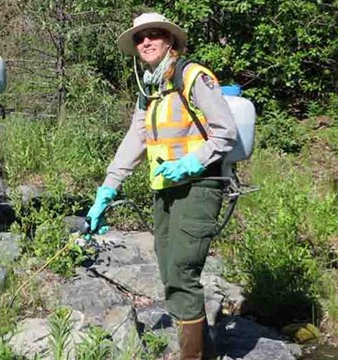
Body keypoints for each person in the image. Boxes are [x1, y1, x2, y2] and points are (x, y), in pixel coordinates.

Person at [85, 13, 238, 360]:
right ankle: (206, 353)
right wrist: (106, 190)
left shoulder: (193, 76)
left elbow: (226, 131)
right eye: (140, 39)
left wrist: (191, 161)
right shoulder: (149, 89)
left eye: (154, 35)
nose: (146, 42)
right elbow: (134, 141)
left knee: (182, 271)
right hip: (165, 191)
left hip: (200, 185)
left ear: (171, 41)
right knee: (170, 271)